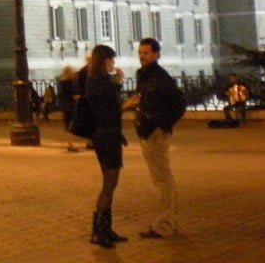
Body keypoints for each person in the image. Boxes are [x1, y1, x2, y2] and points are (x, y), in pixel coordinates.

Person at [123, 37, 181, 239]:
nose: (142, 56)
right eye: (140, 52)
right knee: (162, 177)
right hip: (146, 129)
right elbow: (146, 98)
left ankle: (164, 225)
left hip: (153, 131)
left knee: (162, 179)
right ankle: (168, 221)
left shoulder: (160, 76)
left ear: (156, 54)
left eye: (146, 53)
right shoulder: (144, 75)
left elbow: (178, 102)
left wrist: (163, 125)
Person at [83, 45, 128, 247]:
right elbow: (109, 111)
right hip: (107, 135)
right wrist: (126, 105)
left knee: (111, 183)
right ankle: (98, 230)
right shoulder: (100, 83)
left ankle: (106, 228)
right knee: (109, 184)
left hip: (105, 135)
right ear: (104, 61)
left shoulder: (96, 82)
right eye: (111, 60)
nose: (114, 63)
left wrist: (117, 84)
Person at [57, 66, 80, 152]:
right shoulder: (68, 82)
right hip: (70, 105)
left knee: (68, 125)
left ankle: (70, 144)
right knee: (70, 125)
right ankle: (70, 144)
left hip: (65, 105)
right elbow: (72, 93)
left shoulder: (62, 82)